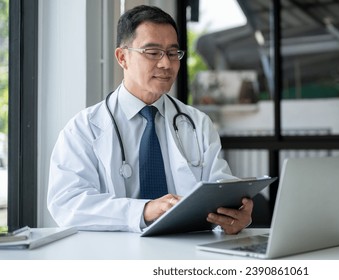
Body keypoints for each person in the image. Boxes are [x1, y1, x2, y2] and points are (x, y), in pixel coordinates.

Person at [47, 5, 253, 234]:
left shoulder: (198, 123)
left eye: (173, 53)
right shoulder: (84, 129)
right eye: (153, 52)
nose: (166, 64)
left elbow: (219, 190)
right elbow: (67, 204)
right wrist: (143, 211)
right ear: (122, 57)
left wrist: (234, 216)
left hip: (185, 254)